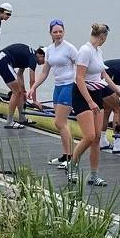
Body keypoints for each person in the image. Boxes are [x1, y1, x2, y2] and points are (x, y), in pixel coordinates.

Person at [70, 23, 114, 186]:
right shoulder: (85, 50)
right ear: (102, 37)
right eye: (105, 39)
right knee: (89, 136)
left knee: (96, 138)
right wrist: (89, 101)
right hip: (82, 95)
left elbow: (103, 73)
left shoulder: (98, 51)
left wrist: (118, 91)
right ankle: (72, 165)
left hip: (97, 93)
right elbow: (79, 78)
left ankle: (93, 174)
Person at [34, 20, 78, 168]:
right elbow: (45, 72)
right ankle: (65, 155)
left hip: (69, 86)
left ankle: (71, 157)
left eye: (60, 31)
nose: (58, 34)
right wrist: (33, 87)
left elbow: (81, 66)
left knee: (59, 122)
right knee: (61, 124)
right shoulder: (50, 50)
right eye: (55, 32)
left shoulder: (70, 48)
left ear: (64, 32)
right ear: (50, 33)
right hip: (57, 87)